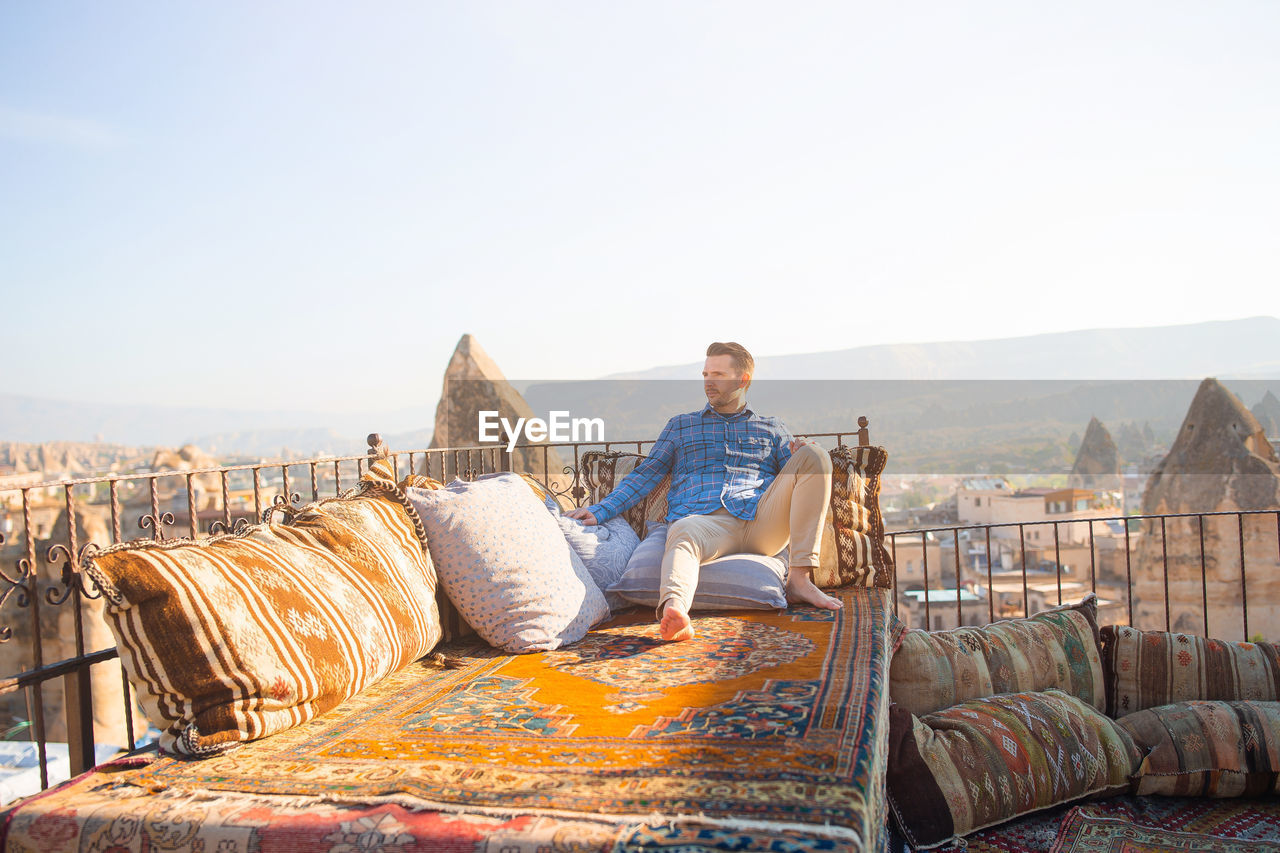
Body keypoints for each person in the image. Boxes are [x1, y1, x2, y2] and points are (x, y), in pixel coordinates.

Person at [565, 341, 840, 642]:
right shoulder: (681, 426)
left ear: (743, 379)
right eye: (706, 373)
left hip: (761, 523)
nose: (709, 381)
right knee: (682, 529)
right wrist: (600, 510)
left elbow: (800, 479)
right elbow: (645, 474)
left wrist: (801, 452)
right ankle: (676, 611)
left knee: (816, 456)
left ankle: (799, 579)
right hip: (704, 525)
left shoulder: (772, 428)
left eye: (718, 374)